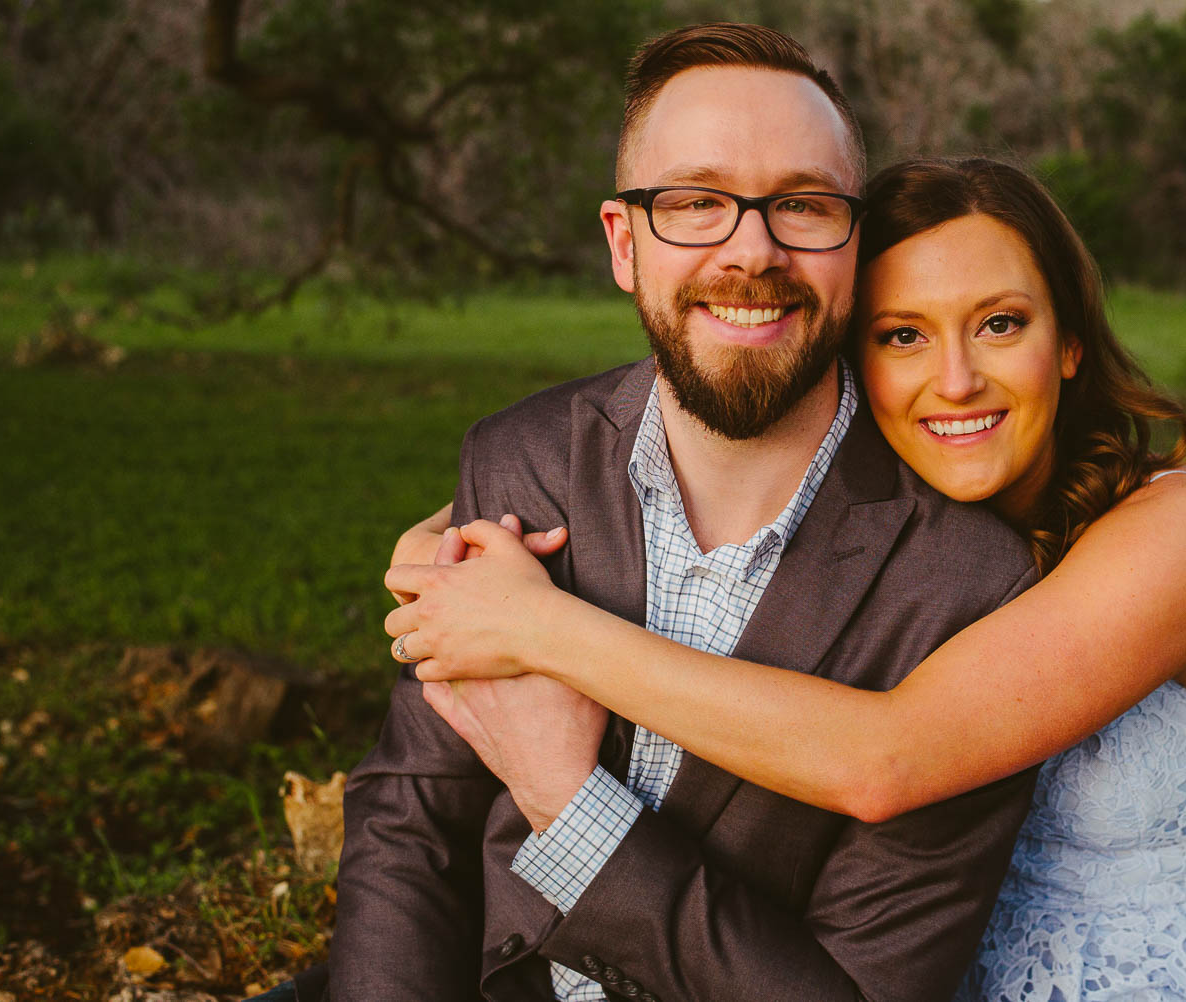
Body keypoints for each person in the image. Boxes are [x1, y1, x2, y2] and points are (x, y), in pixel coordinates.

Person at [385, 157, 1186, 1001]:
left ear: (1071, 341)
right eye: (902, 336)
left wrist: (539, 629)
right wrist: (451, 561)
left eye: (1000, 324)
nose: (955, 381)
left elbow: (885, 762)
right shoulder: (909, 537)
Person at [320, 24, 1047, 1002]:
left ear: (855, 240)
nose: (752, 249)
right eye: (696, 202)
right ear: (625, 243)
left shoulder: (970, 587)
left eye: (801, 203)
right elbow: (413, 820)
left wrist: (569, 805)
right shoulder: (521, 459)